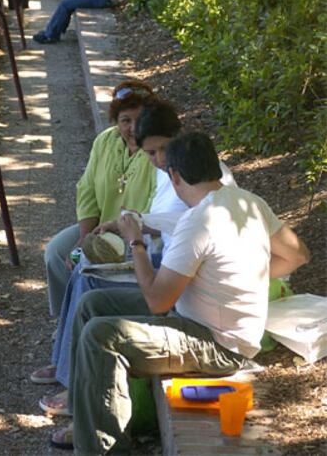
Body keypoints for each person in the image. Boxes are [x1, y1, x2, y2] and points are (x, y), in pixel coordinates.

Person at [50, 131, 310, 453]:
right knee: (92, 304)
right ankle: (85, 415)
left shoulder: (198, 221)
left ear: (173, 176)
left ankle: (102, 449)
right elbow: (297, 255)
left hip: (217, 344)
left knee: (101, 336)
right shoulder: (249, 202)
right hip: (206, 322)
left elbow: (157, 301)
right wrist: (249, 277)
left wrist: (136, 242)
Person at [33, 100, 237, 413]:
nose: (158, 159)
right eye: (150, 153)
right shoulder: (168, 172)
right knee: (83, 270)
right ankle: (68, 372)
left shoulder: (198, 180)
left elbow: (161, 294)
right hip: (171, 267)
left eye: (163, 149)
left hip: (183, 289)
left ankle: (78, 389)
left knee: (92, 286)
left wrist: (136, 241)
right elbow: (175, 223)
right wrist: (135, 227)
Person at [42, 80, 157, 323]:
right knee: (57, 253)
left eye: (141, 119)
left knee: (84, 264)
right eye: (126, 120)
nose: (134, 128)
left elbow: (155, 209)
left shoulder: (156, 151)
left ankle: (86, 322)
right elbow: (87, 189)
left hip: (136, 235)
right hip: (98, 228)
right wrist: (84, 238)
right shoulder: (105, 141)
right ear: (116, 121)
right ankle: (65, 319)